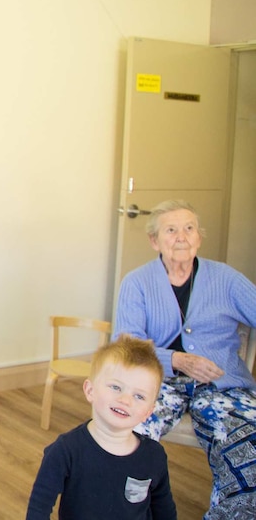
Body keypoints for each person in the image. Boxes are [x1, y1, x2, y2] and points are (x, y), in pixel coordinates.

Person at [114, 199, 256, 519]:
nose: (182, 236)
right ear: (155, 241)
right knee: (124, 431)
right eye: (171, 229)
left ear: (199, 237)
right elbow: (125, 344)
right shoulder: (137, 282)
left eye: (189, 228)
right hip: (156, 380)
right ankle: (124, 510)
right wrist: (176, 359)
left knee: (247, 446)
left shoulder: (226, 278)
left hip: (222, 383)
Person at [26, 334, 176, 519]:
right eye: (116, 387)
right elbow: (39, 507)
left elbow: (164, 508)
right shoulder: (66, 450)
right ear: (90, 391)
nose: (125, 400)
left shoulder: (154, 456)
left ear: (149, 411)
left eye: (139, 396)